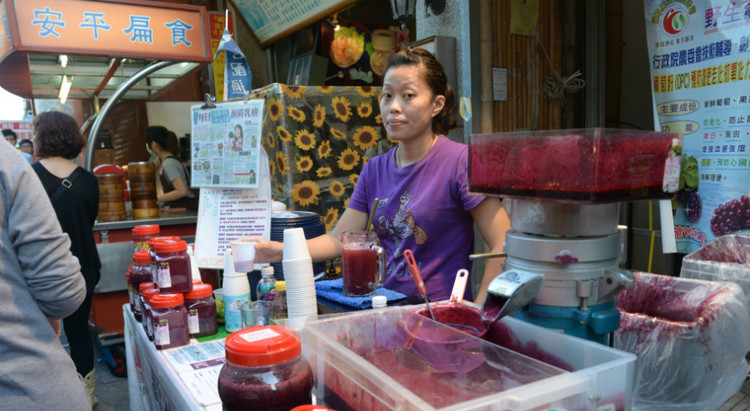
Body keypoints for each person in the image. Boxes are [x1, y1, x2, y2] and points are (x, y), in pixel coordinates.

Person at [251, 48, 510, 303]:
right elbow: (339, 239)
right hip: (387, 309)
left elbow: (502, 242)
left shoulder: (460, 161)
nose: (394, 107)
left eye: (408, 95)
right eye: (387, 95)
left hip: (442, 320)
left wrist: (479, 315)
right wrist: (280, 251)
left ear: (436, 104)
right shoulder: (374, 169)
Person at [0, 137, 106, 411]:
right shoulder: (11, 165)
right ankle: (88, 387)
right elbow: (60, 292)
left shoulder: (31, 169)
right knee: (79, 332)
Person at [30, 111, 102, 407]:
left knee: (41, 337)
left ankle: (49, 399)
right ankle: (87, 396)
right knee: (78, 331)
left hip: (38, 269)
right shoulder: (88, 181)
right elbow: (89, 222)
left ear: (41, 138)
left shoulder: (28, 177)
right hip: (83, 266)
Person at [146, 125, 197, 210]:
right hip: (181, 208)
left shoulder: (169, 163)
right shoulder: (164, 160)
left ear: (154, 144)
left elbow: (182, 191)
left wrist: (157, 199)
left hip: (187, 208)